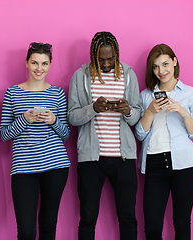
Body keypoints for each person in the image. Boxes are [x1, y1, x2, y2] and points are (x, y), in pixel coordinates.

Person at [68, 31, 140, 240]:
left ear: (117, 55)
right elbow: (72, 117)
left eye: (111, 59)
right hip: (91, 159)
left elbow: (136, 117)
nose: (107, 63)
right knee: (88, 217)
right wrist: (93, 109)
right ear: (93, 56)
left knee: (127, 217)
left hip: (124, 157)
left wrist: (128, 111)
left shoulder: (128, 74)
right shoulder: (80, 76)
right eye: (101, 59)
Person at [0, 42, 70, 240]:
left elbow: (66, 134)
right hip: (23, 168)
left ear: (50, 64)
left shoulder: (57, 93)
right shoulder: (12, 93)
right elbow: (4, 134)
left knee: (48, 226)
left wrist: (54, 121)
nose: (39, 68)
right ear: (27, 63)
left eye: (44, 63)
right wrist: (24, 119)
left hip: (55, 166)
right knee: (26, 230)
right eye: (35, 63)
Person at [135, 44, 193, 240]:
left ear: (174, 62)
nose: (161, 71)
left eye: (165, 64)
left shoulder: (192, 94)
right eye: (155, 67)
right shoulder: (145, 95)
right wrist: (149, 111)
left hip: (185, 164)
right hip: (155, 164)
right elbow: (140, 135)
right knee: (152, 228)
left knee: (182, 224)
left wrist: (183, 112)